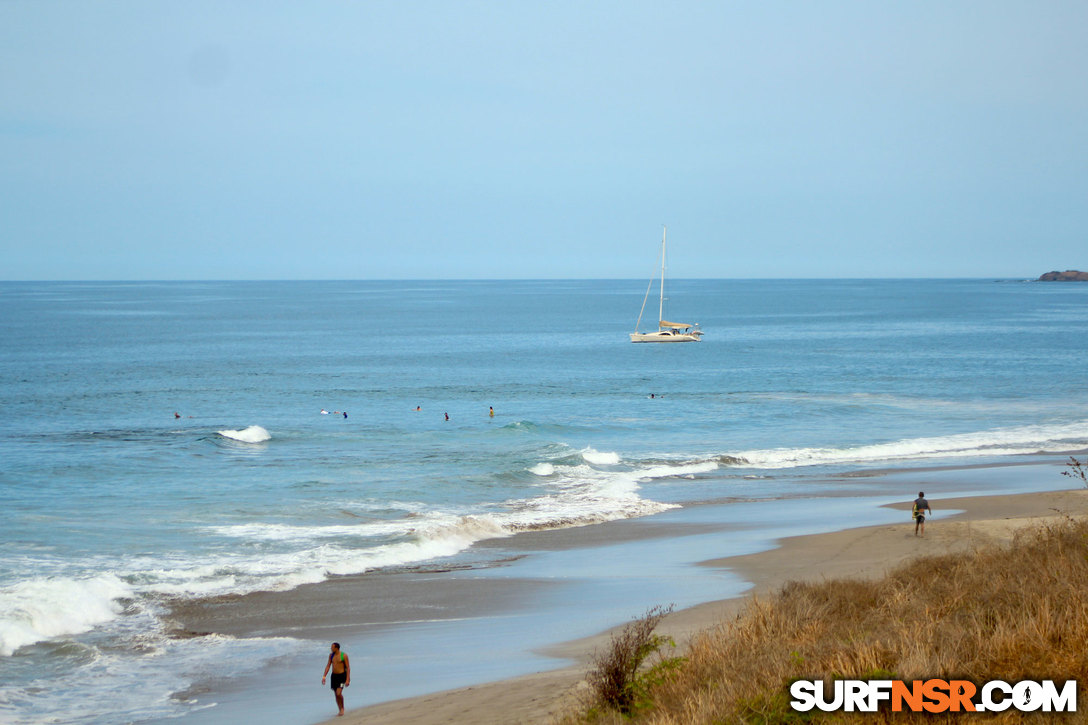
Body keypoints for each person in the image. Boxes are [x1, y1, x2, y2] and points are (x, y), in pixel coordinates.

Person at [321, 642, 351, 716]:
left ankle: (342, 708)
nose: (331, 649)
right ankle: (339, 709)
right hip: (334, 676)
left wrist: (347, 679)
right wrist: (324, 676)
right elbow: (328, 666)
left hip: (342, 676)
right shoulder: (331, 656)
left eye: (332, 647)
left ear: (336, 648)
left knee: (339, 693)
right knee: (336, 694)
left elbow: (348, 667)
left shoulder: (344, 655)